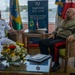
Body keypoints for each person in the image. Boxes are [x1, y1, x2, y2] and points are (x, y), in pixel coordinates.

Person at [39, 8, 75, 72]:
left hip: (66, 40)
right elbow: (56, 29)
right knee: (42, 42)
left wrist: (73, 36)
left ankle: (56, 64)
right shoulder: (63, 21)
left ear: (73, 14)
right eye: (66, 11)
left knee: (53, 44)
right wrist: (53, 33)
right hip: (57, 38)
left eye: (68, 12)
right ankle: (46, 60)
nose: (66, 13)